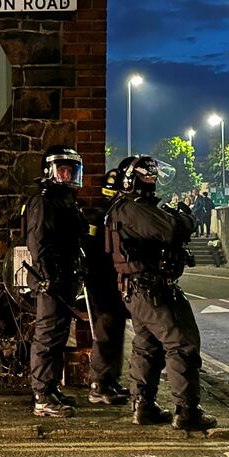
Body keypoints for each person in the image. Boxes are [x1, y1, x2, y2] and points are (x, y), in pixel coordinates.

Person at [106, 156, 217, 430]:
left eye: (154, 176)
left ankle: (143, 406)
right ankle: (187, 412)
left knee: (147, 345)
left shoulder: (124, 207)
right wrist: (186, 216)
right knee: (182, 343)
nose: (152, 181)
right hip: (151, 287)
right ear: (132, 179)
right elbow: (171, 229)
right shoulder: (135, 208)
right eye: (147, 176)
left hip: (137, 288)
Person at [24, 145, 87, 418]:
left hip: (64, 279)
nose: (67, 175)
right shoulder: (44, 200)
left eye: (71, 170)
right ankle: (41, 396)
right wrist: (47, 276)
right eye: (62, 170)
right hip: (50, 281)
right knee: (47, 337)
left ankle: (50, 388)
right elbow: (38, 242)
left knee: (59, 335)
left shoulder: (66, 201)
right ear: (50, 171)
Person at [83, 168, 130, 406]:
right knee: (105, 332)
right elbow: (93, 254)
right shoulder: (101, 217)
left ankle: (110, 380)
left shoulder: (112, 213)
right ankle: (99, 384)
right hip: (102, 283)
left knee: (116, 332)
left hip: (113, 282)